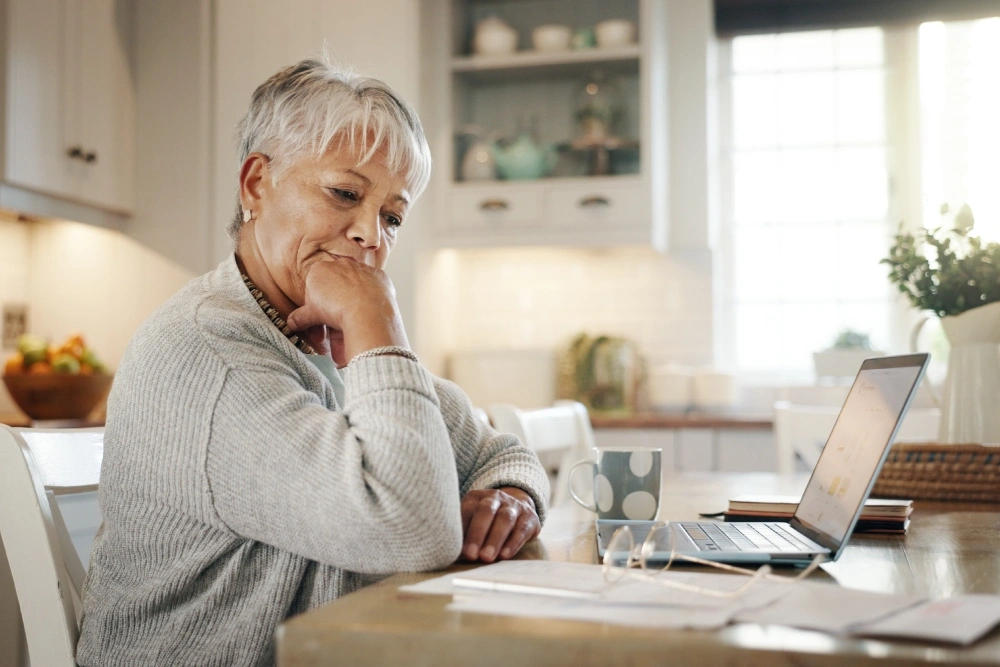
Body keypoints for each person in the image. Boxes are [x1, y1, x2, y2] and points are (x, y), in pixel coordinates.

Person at [77, 58, 550, 666]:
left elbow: (496, 450)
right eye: (345, 194)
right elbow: (411, 531)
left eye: (392, 216)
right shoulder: (207, 352)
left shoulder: (314, 332)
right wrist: (379, 325)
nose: (371, 235)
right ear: (255, 185)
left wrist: (508, 497)